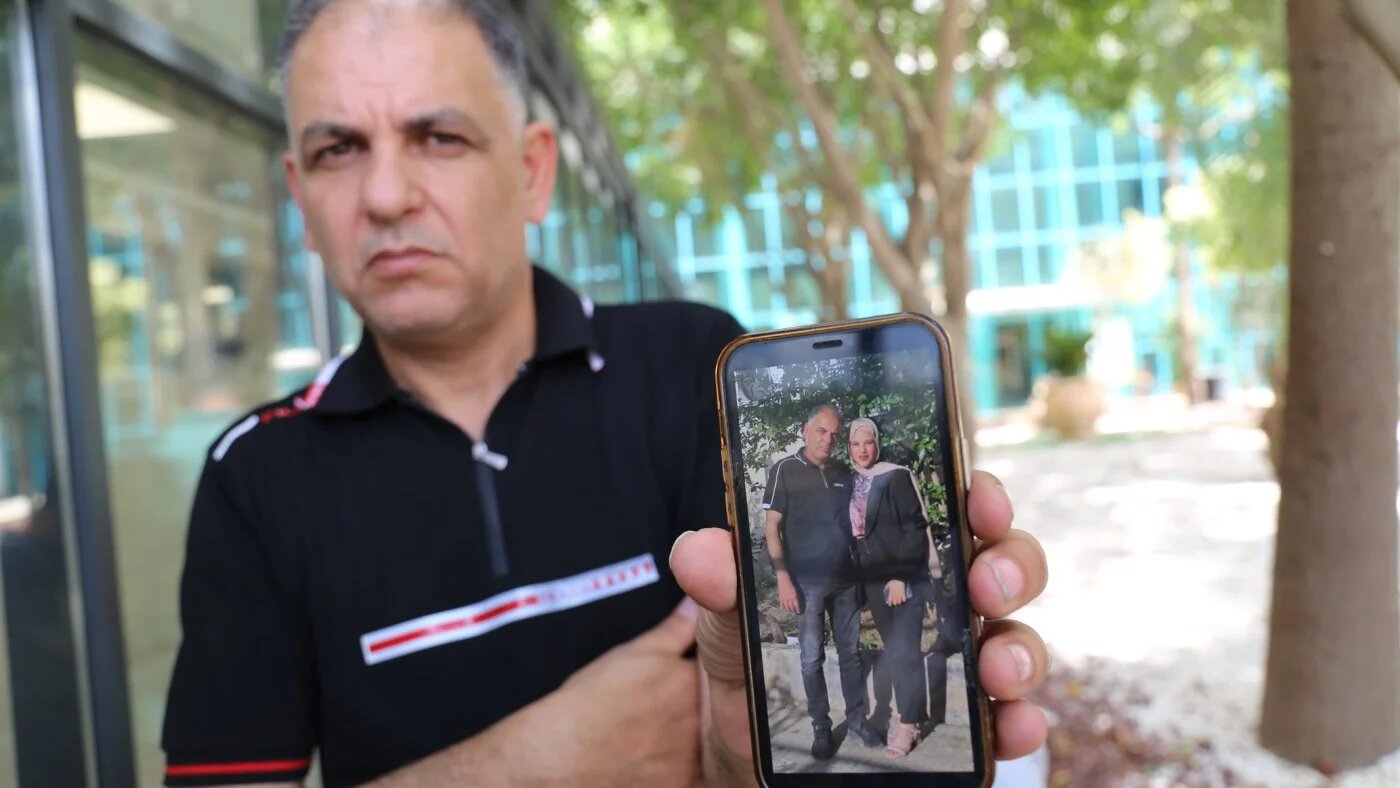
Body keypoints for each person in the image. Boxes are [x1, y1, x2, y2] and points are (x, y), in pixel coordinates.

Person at [162, 1, 1054, 786]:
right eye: (338, 149)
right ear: (298, 195)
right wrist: (532, 766)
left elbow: (732, 725)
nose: (387, 193)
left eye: (439, 138)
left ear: (533, 169)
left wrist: (737, 757)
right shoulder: (256, 477)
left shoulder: (690, 363)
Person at [761, 404, 882, 761]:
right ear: (805, 430)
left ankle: (858, 721)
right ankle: (820, 727)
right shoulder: (784, 470)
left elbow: (856, 526)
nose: (827, 439)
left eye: (833, 434)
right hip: (805, 586)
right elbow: (772, 529)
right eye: (820, 431)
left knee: (851, 656)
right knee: (811, 659)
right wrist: (782, 578)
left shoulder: (845, 472)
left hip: (846, 583)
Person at [847, 417, 937, 759]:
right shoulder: (850, 481)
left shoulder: (894, 475)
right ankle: (911, 715)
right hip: (871, 580)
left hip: (900, 577)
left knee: (904, 651)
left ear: (877, 443)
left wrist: (899, 576)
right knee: (897, 650)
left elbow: (914, 529)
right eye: (855, 444)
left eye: (867, 442)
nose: (862, 450)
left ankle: (909, 722)